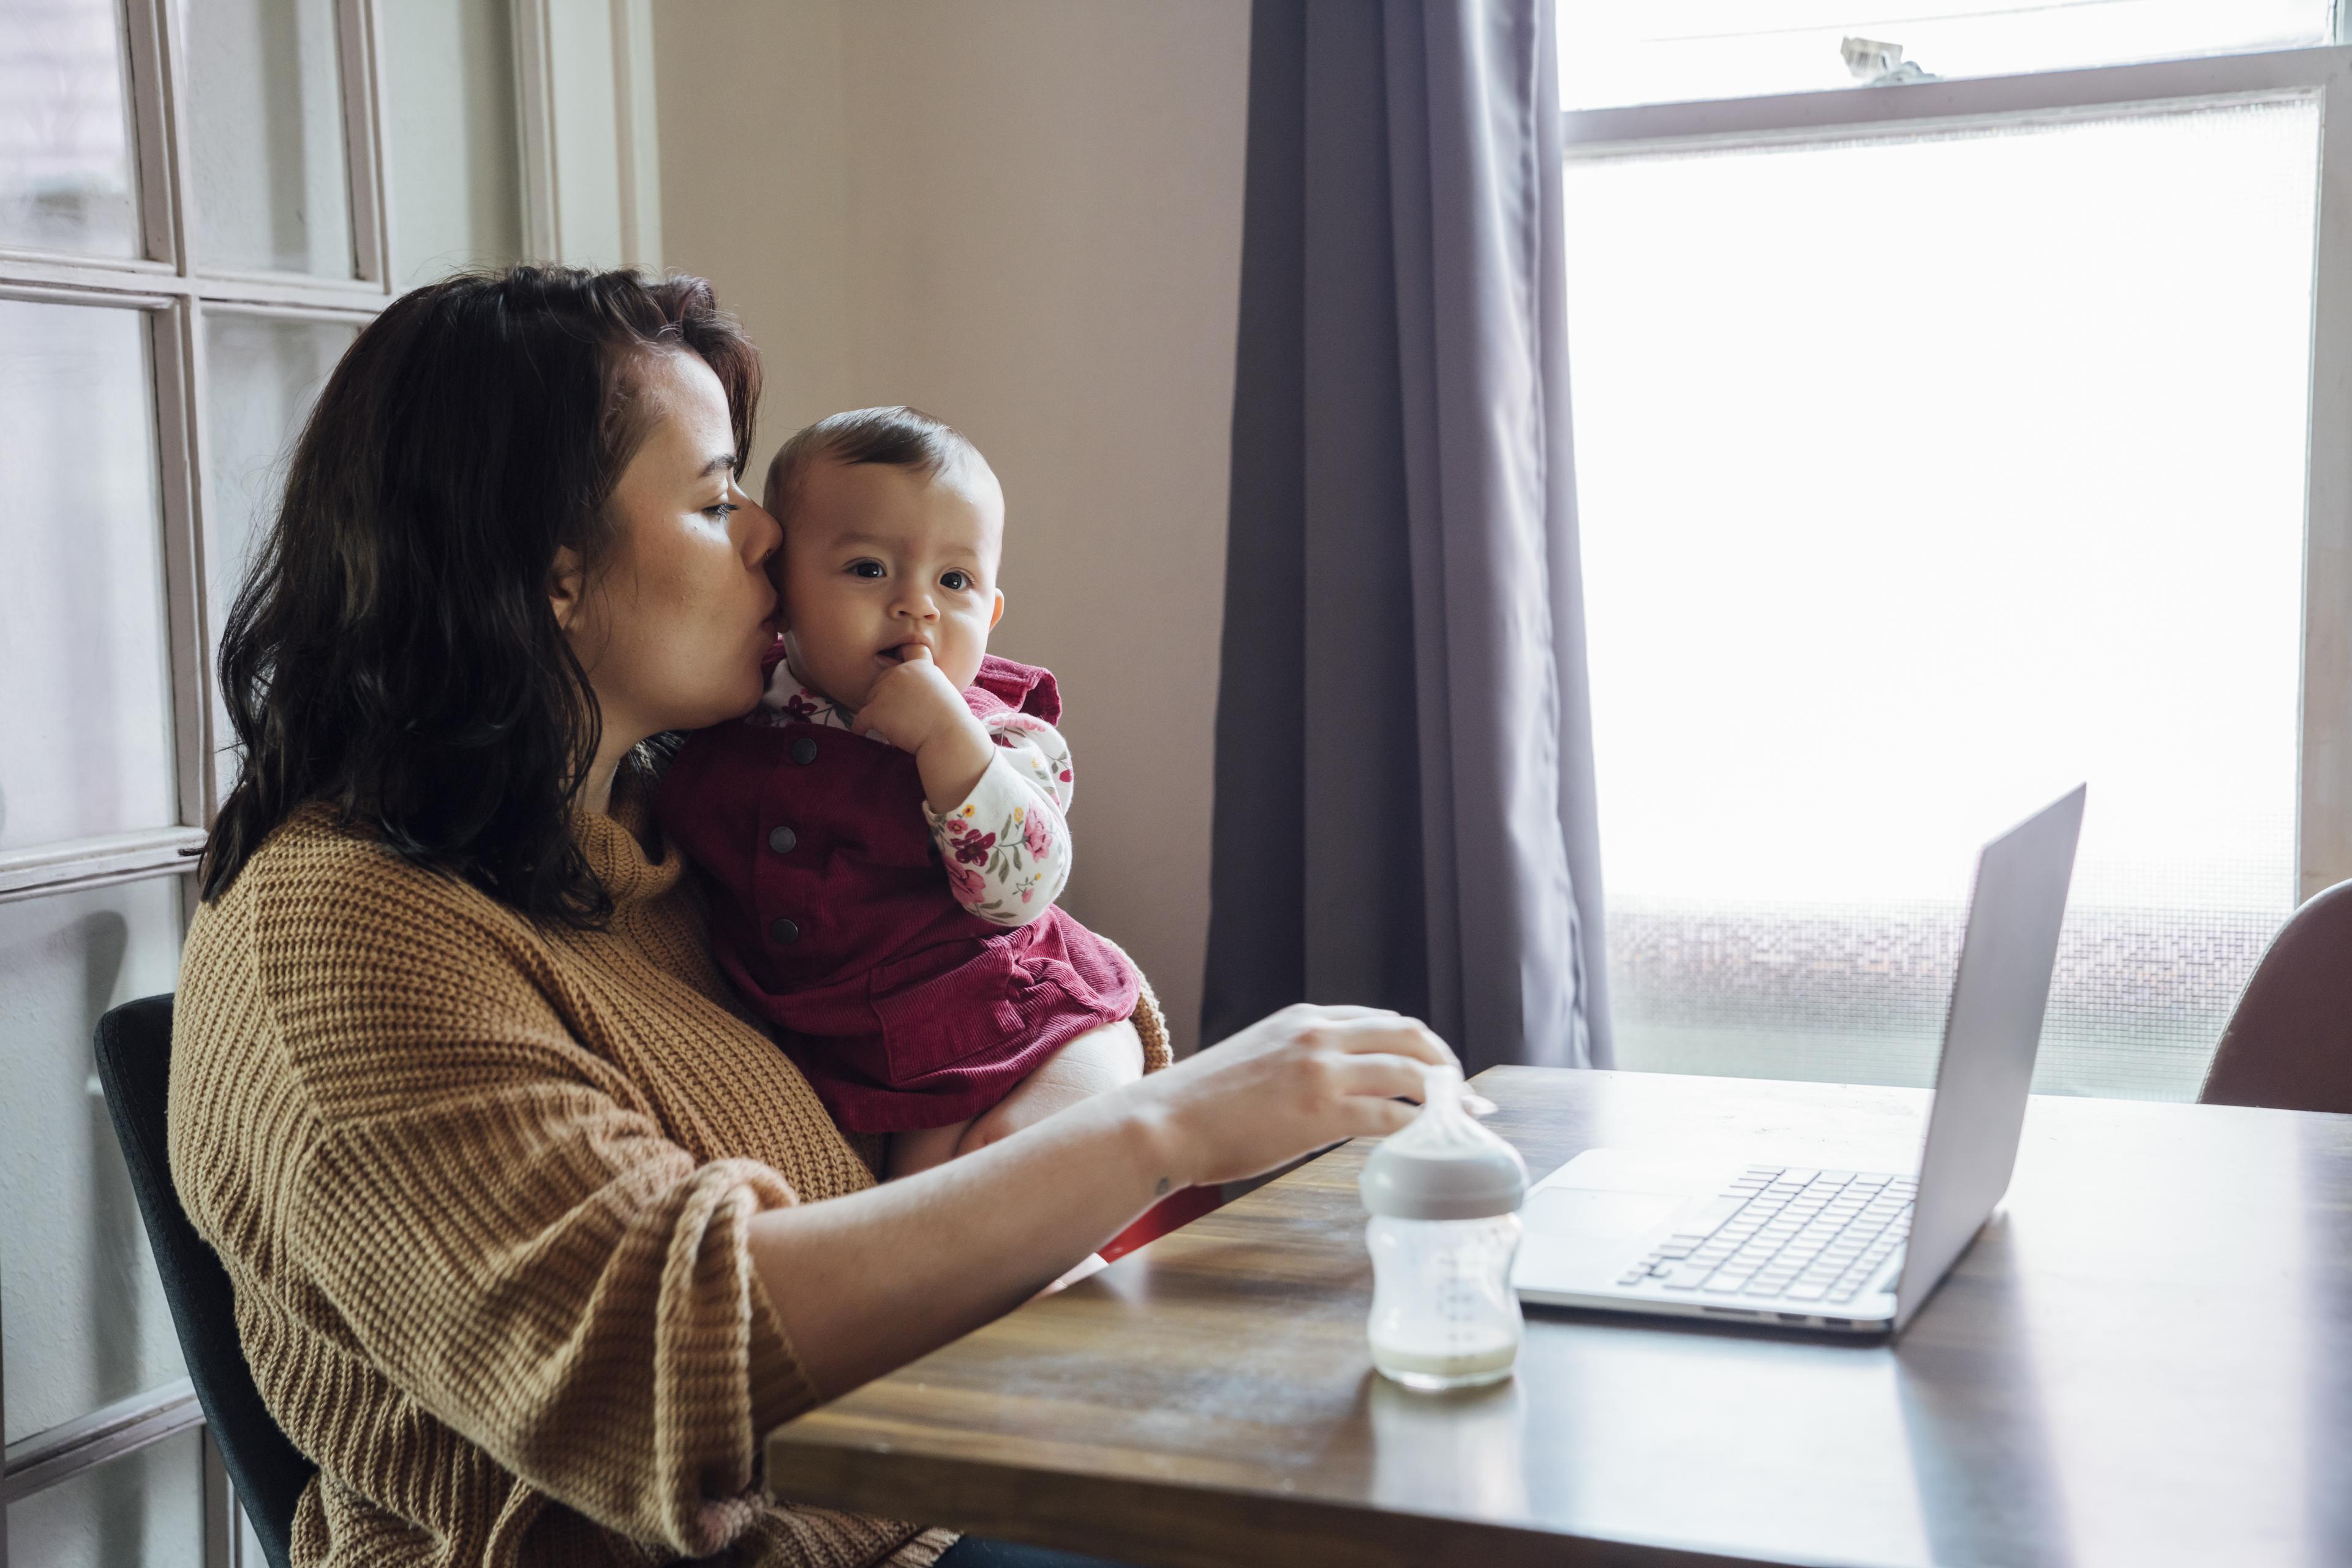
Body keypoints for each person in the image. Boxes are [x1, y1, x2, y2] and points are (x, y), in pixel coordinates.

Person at [170, 264, 1453, 1568]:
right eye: (719, 497)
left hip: (949, 1479)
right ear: (553, 575)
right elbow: (678, 1358)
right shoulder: (340, 935)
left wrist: (1095, 1043)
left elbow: (974, 980)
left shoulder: (661, 832)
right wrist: (1158, 1127)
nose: (771, 538)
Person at [656, 406, 1144, 1178]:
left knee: (1004, 1180)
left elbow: (1022, 891)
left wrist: (950, 743)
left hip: (1014, 1025)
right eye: (868, 568)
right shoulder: (733, 715)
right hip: (857, 1054)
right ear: (779, 592)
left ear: (990, 612)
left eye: (955, 580)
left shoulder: (1000, 738)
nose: (917, 604)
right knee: (941, 1234)